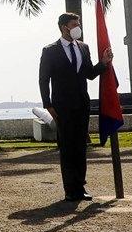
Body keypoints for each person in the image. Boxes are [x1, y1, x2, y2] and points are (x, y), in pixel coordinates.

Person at [39, 12, 113, 202]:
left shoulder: (83, 47)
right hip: (61, 106)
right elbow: (43, 80)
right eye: (75, 24)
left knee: (80, 146)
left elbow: (89, 73)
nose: (78, 27)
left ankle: (80, 186)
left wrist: (103, 63)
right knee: (67, 147)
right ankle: (69, 189)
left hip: (81, 104)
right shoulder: (50, 50)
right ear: (65, 27)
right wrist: (48, 105)